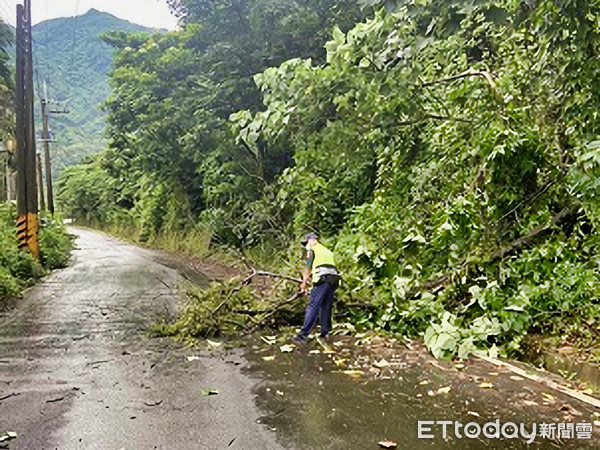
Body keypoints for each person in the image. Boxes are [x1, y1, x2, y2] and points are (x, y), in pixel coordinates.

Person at [293, 232, 340, 343]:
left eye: (306, 243)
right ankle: (325, 333)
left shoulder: (311, 250)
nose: (306, 246)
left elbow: (308, 266)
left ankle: (303, 335)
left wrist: (303, 283)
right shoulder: (327, 251)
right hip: (334, 280)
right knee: (325, 306)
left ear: (312, 240)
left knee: (313, 306)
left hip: (322, 279)